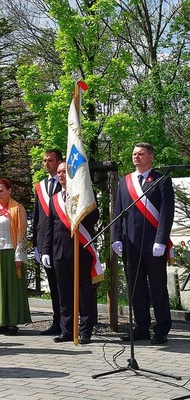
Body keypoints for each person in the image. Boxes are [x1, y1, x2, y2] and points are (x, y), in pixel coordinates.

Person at [111, 142, 174, 345]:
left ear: (151, 157)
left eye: (141, 154)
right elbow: (118, 212)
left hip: (154, 245)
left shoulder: (162, 181)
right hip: (131, 245)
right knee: (136, 288)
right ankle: (142, 327)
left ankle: (162, 328)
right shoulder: (124, 182)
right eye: (134, 154)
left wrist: (162, 241)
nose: (136, 157)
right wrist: (116, 238)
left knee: (158, 288)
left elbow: (166, 214)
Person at [42, 162, 99, 344]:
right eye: (58, 172)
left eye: (64, 172)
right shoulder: (55, 198)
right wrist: (46, 250)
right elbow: (50, 226)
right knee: (64, 293)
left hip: (79, 249)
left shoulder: (84, 196)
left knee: (83, 291)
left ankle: (85, 330)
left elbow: (93, 218)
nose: (60, 175)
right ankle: (67, 330)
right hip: (59, 252)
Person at [0, 178, 31, 335]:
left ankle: (12, 322)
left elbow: (22, 233)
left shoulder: (17, 209)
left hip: (10, 252)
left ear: (10, 191)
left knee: (10, 287)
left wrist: (19, 256)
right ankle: (0, 321)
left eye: (1, 191)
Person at [31, 149, 64, 335]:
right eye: (44, 160)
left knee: (64, 284)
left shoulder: (66, 182)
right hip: (45, 242)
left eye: (50, 160)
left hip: (62, 241)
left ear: (59, 161)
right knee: (52, 283)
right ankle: (57, 321)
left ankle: (69, 322)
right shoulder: (41, 186)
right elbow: (37, 217)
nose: (46, 164)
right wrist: (35, 243)